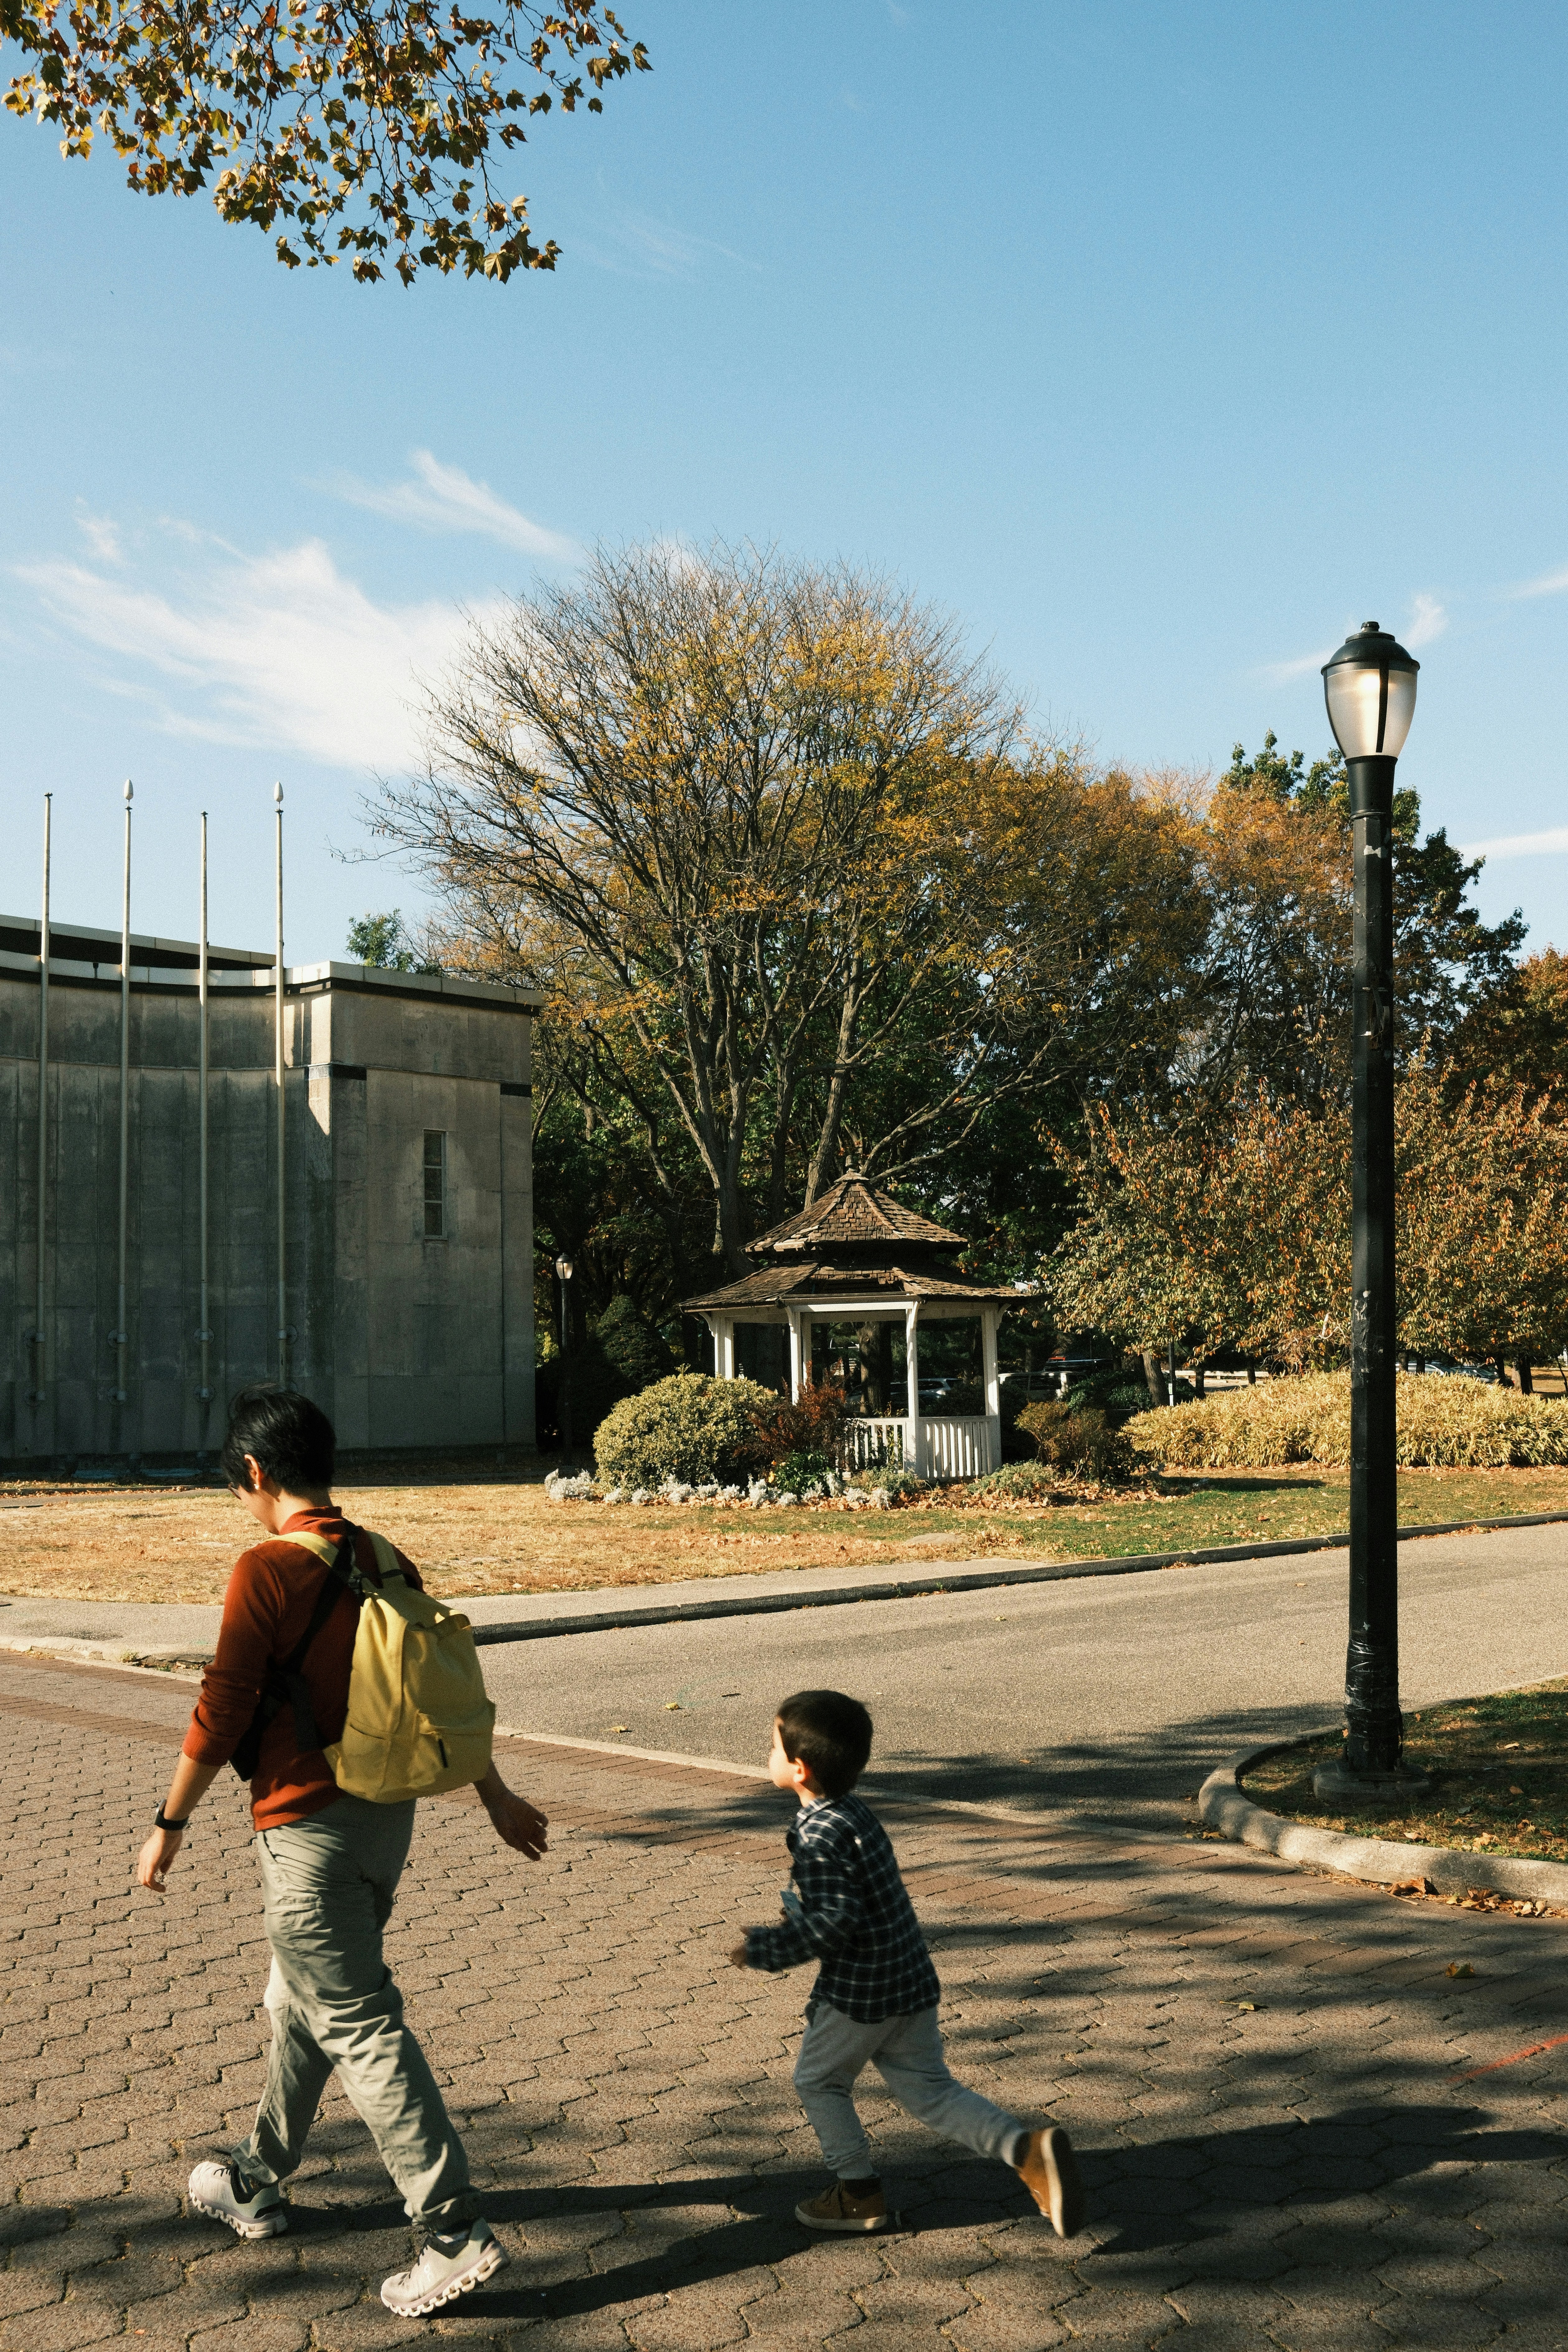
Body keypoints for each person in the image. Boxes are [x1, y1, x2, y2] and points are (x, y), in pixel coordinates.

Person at [134, 1386, 549, 2318]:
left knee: (355, 2016)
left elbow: (223, 1704)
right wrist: (492, 1791)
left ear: (254, 1472)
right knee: (304, 2002)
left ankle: (450, 2231)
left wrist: (169, 1823)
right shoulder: (383, 1555)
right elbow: (433, 1696)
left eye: (238, 1481)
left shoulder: (265, 1567)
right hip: (384, 1820)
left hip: (305, 1829)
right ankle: (254, 2177)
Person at [730, 1688, 1085, 2238]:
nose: (768, 1754)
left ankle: (856, 2193)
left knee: (819, 2082)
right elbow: (854, 1901)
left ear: (798, 1768)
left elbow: (835, 1919)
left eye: (772, 1745)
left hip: (859, 1994)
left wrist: (767, 1950)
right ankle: (1026, 2151)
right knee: (931, 2089)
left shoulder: (815, 1833)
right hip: (910, 1979)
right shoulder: (854, 1813)